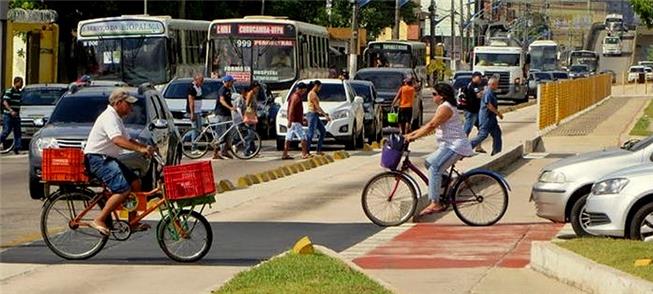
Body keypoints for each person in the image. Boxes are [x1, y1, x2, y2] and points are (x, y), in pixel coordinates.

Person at [84, 88, 156, 235]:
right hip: (97, 159)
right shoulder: (109, 117)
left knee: (136, 183)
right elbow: (117, 140)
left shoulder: (116, 118)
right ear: (118, 103)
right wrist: (139, 150)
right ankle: (99, 219)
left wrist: (146, 148)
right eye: (128, 104)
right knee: (123, 189)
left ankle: (132, 221)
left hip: (107, 159)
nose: (131, 108)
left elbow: (128, 140)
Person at [404, 83, 474, 216]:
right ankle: (450, 181)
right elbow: (428, 126)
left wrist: (414, 137)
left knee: (435, 168)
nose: (432, 97)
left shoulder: (445, 108)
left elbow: (431, 125)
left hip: (455, 145)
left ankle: (435, 203)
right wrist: (410, 135)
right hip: (448, 145)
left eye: (434, 94)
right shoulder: (444, 106)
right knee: (428, 162)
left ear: (442, 97)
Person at [470, 76, 504, 156]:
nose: (497, 86)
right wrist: (498, 113)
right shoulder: (488, 92)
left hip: (492, 119)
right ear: (492, 84)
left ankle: (497, 152)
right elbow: (488, 105)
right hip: (486, 118)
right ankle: (467, 147)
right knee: (483, 134)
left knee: (497, 133)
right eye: (496, 85)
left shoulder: (490, 92)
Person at [282, 83, 310, 160]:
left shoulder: (296, 96)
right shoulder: (296, 97)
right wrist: (290, 121)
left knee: (288, 138)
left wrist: (302, 118)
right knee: (303, 137)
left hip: (295, 120)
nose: (304, 92)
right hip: (295, 121)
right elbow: (291, 109)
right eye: (304, 90)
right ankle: (304, 154)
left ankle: (285, 154)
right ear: (301, 89)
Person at [460, 71, 487, 153]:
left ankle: (478, 146)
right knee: (467, 129)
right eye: (479, 77)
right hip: (471, 111)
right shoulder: (472, 86)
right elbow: (478, 95)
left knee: (482, 128)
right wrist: (485, 91)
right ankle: (461, 147)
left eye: (481, 77)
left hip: (475, 110)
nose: (480, 79)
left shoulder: (474, 85)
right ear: (474, 77)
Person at [213, 75, 237, 159]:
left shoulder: (228, 90)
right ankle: (215, 153)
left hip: (227, 114)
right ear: (227, 82)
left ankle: (224, 151)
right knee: (220, 134)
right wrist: (230, 107)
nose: (232, 83)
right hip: (221, 114)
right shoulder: (222, 90)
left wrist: (234, 108)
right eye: (231, 82)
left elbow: (229, 101)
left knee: (228, 133)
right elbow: (222, 100)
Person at [306, 80, 330, 155]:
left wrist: (322, 113)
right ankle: (306, 151)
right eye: (319, 87)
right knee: (311, 133)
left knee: (323, 131)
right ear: (316, 86)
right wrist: (324, 115)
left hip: (315, 114)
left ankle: (318, 150)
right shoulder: (312, 94)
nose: (320, 89)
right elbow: (317, 106)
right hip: (312, 115)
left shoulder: (314, 94)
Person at [1, 77, 24, 154]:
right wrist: (11, 111)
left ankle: (17, 148)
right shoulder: (10, 91)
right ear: (16, 82)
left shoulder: (19, 93)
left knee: (18, 132)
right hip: (8, 115)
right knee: (6, 131)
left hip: (16, 115)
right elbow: (5, 102)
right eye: (21, 83)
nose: (22, 84)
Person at [188, 73, 204, 155]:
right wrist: (192, 113)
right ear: (196, 80)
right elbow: (191, 102)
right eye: (201, 80)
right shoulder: (192, 88)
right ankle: (194, 148)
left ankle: (183, 138)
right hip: (194, 112)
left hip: (198, 111)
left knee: (199, 129)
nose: (202, 82)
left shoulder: (199, 88)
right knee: (195, 129)